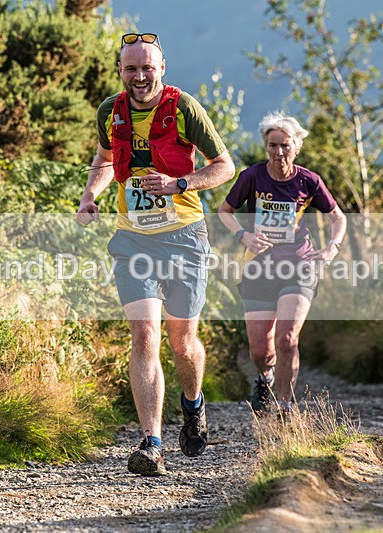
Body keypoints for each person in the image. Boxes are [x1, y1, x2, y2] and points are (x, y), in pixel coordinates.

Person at [76, 32, 235, 476]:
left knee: (182, 344)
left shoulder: (184, 108)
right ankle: (151, 443)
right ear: (121, 72)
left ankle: (194, 403)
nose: (140, 76)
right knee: (145, 336)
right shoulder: (110, 111)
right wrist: (91, 195)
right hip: (133, 239)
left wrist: (179, 183)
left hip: (184, 236)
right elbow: (106, 158)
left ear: (162, 69)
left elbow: (225, 166)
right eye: (132, 69)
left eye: (148, 68)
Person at [218, 112, 346, 417]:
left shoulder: (309, 181)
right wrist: (243, 235)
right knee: (260, 351)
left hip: (299, 265)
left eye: (285, 146)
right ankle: (266, 376)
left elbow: (337, 217)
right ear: (266, 146)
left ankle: (286, 407)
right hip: (259, 268)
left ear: (296, 147)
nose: (279, 152)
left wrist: (332, 248)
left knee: (287, 338)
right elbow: (225, 210)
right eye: (273, 145)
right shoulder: (251, 177)